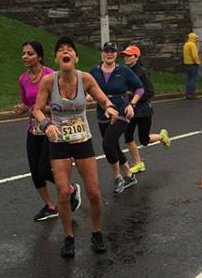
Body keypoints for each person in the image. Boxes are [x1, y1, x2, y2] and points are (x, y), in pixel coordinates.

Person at [33, 36, 119, 258]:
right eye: (61, 49)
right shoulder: (49, 82)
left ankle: (97, 232)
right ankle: (69, 237)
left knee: (94, 193)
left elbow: (103, 99)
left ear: (76, 57)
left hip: (82, 141)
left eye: (70, 49)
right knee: (63, 193)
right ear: (56, 58)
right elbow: (37, 109)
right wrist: (46, 125)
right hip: (59, 142)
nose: (65, 51)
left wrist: (109, 107)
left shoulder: (86, 79)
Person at [14, 40, 81, 221]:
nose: (25, 57)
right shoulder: (23, 79)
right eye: (24, 53)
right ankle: (50, 206)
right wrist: (23, 108)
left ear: (40, 57)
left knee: (44, 169)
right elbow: (28, 102)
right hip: (33, 129)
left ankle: (70, 189)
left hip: (52, 127)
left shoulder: (51, 75)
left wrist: (40, 109)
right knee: (35, 171)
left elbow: (63, 104)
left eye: (30, 53)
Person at [90, 42, 143, 194]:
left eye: (112, 51)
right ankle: (129, 175)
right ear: (101, 54)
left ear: (116, 54)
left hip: (121, 111)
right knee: (113, 145)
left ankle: (117, 177)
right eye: (106, 51)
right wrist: (89, 95)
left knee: (107, 144)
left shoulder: (124, 71)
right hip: (102, 111)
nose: (109, 54)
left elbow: (140, 88)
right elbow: (88, 88)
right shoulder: (94, 71)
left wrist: (131, 104)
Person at [120, 45, 170, 173]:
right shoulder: (124, 71)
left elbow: (150, 92)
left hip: (143, 111)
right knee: (128, 137)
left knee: (144, 140)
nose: (126, 58)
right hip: (130, 111)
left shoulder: (142, 72)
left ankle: (161, 136)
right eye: (125, 55)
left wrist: (133, 97)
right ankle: (139, 163)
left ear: (136, 57)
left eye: (129, 55)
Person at [182, 32, 201, 99]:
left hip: (186, 63)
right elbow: (194, 55)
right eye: (196, 38)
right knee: (193, 79)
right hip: (193, 64)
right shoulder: (192, 45)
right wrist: (198, 62)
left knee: (188, 79)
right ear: (193, 38)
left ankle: (188, 94)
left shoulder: (186, 44)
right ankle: (192, 94)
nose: (196, 39)